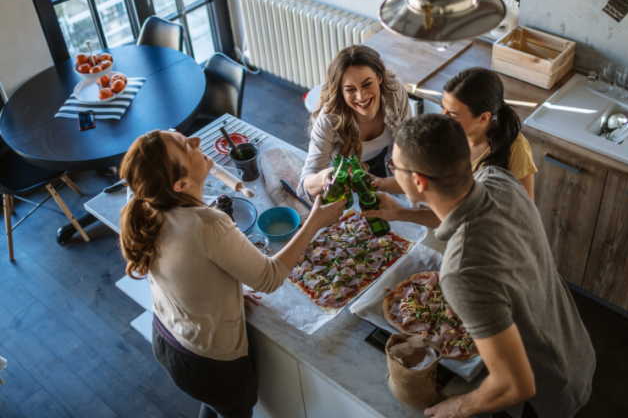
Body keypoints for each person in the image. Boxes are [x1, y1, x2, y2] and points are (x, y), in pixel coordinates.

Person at [364, 115, 595, 418]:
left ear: (418, 182)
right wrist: (402, 214)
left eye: (395, 169)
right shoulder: (498, 178)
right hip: (575, 346)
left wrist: (455, 406)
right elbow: (456, 213)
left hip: (545, 390)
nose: (392, 173)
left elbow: (516, 385)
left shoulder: (461, 272)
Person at [119, 130, 345, 418]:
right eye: (186, 146)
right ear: (181, 184)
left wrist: (228, 292)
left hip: (168, 339)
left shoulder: (152, 206)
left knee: (216, 408)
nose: (197, 141)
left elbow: (195, 268)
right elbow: (270, 278)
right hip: (213, 365)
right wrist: (314, 222)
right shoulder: (208, 223)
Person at [374, 67, 537, 201]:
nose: (442, 117)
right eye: (442, 106)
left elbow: (525, 210)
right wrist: (376, 183)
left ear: (483, 118)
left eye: (452, 114)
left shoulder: (515, 148)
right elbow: (419, 182)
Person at [297, 44, 412, 200]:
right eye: (350, 89)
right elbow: (304, 186)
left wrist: (384, 182)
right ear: (340, 92)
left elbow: (409, 147)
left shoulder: (395, 93)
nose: (361, 96)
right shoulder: (328, 119)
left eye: (367, 84)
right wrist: (323, 178)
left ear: (379, 77)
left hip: (388, 163)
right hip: (345, 180)